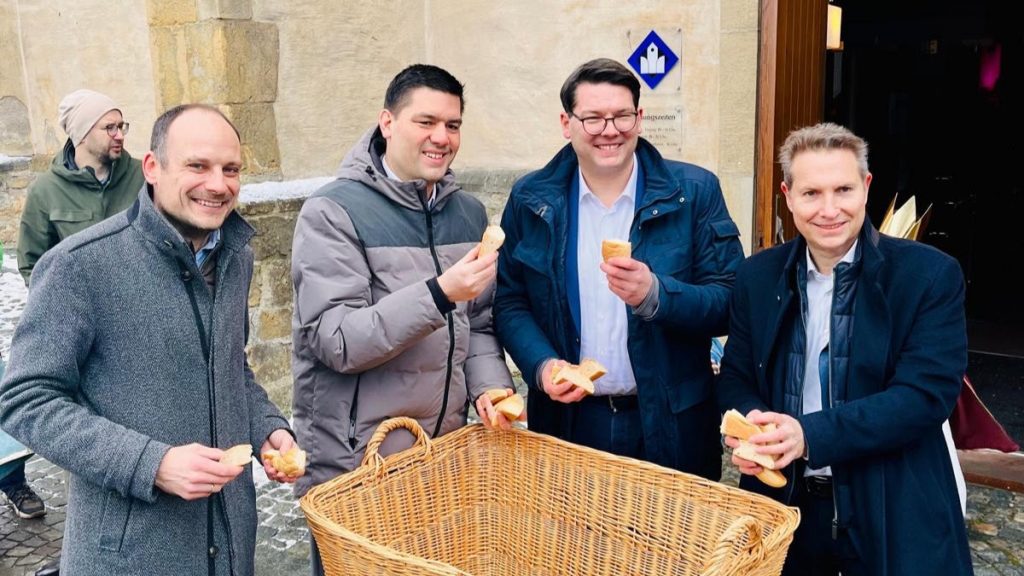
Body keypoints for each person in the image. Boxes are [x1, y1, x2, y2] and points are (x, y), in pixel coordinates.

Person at [0, 104, 301, 576]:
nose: (218, 184)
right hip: (128, 555)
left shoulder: (236, 256)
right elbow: (25, 400)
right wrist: (151, 463)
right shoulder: (79, 266)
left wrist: (269, 428)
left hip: (231, 543)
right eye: (197, 166)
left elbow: (230, 367)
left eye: (231, 169)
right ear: (153, 169)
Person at [716, 122, 972, 575]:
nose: (829, 209)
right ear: (788, 195)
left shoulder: (928, 275)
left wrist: (809, 435)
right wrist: (754, 426)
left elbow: (924, 396)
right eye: (812, 193)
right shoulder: (757, 276)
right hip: (787, 507)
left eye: (843, 190)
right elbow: (736, 375)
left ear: (866, 187)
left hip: (893, 505)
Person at [290, 64, 513, 575]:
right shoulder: (331, 212)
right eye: (426, 121)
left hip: (440, 460)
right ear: (387, 123)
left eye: (453, 125)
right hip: (358, 464)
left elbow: (476, 324)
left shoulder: (468, 213)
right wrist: (438, 294)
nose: (442, 138)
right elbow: (336, 341)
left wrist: (490, 389)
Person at [493, 58, 744, 478]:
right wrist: (541, 366)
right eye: (592, 118)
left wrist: (657, 296)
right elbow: (511, 300)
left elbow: (731, 299)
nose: (610, 130)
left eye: (622, 115)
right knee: (571, 541)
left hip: (671, 421)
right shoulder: (530, 199)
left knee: (673, 541)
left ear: (639, 118)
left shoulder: (694, 192)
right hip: (569, 423)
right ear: (566, 122)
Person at [17, 88, 144, 284]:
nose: (119, 135)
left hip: (142, 302)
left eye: (121, 126)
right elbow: (33, 264)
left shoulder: (144, 176)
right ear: (82, 134)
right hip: (83, 309)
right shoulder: (45, 190)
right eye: (109, 127)